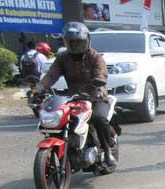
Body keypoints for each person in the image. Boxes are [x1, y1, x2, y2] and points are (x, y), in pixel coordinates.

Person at [40, 22, 116, 167]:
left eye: (79, 43)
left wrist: (99, 89)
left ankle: (107, 151)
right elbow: (51, 75)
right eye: (71, 43)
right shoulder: (63, 57)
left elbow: (101, 73)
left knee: (99, 118)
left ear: (87, 41)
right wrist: (39, 88)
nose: (75, 46)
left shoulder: (95, 56)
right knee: (60, 118)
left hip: (95, 96)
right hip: (74, 98)